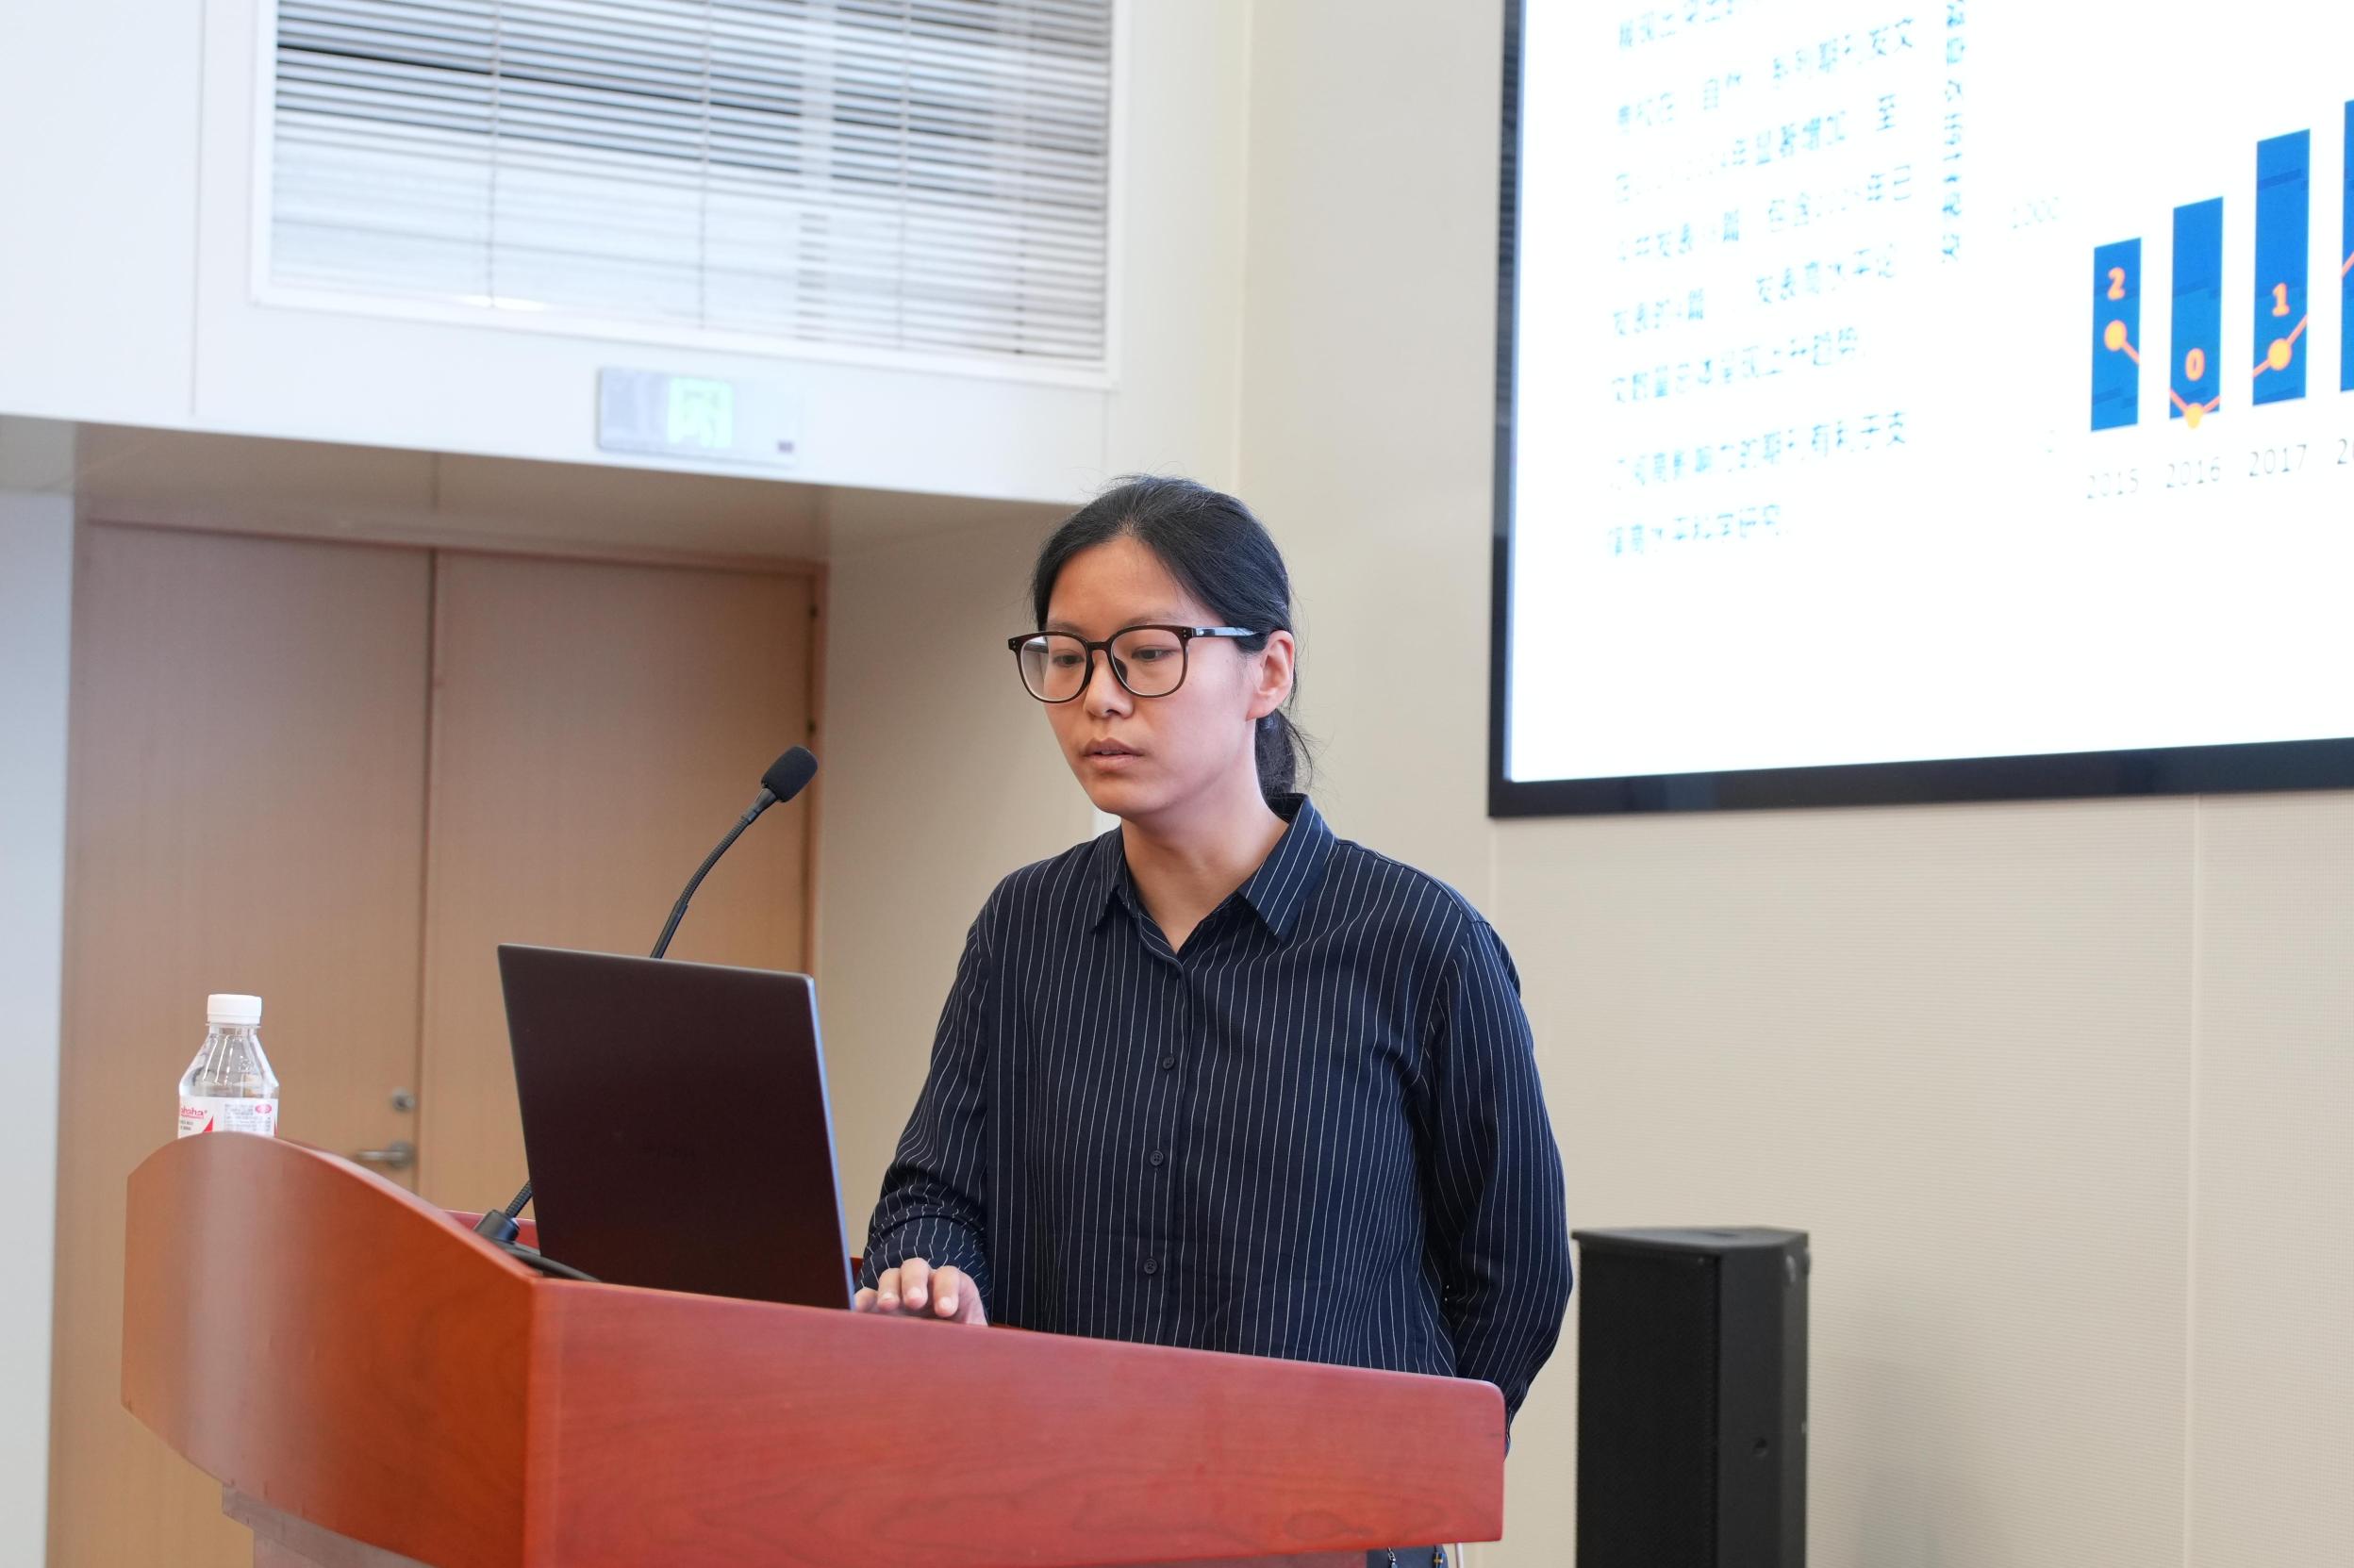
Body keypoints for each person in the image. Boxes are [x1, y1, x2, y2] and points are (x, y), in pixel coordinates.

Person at [854, 477, 1573, 1568]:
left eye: (1147, 654)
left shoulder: (1419, 941)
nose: (1099, 698)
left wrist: (1397, 1483)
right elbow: (935, 1191)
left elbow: (1512, 1272)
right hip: (1059, 1516)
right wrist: (931, 1274)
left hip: (1326, 1535)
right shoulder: (1024, 926)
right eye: (1066, 657)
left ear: (1267, 672)